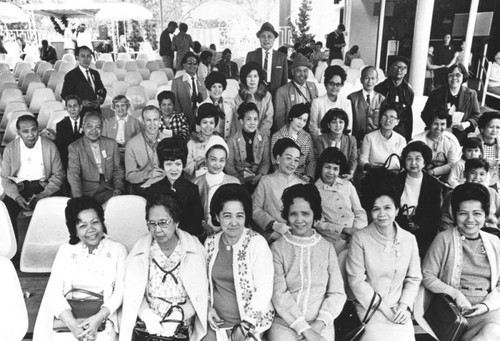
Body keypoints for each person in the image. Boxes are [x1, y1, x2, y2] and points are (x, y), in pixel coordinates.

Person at [33, 197, 127, 341]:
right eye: (83, 226)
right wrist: (72, 324)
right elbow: (54, 292)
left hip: (104, 321)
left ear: (102, 222)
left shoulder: (118, 250)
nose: (91, 230)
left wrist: (97, 319)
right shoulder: (65, 251)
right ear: (74, 230)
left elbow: (120, 292)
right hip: (66, 323)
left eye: (95, 222)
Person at [119, 193, 207, 340]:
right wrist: (147, 316)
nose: (157, 229)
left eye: (163, 222)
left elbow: (202, 295)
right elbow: (132, 294)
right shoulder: (140, 251)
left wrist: (178, 315)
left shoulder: (193, 248)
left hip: (181, 326)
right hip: (149, 327)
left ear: (176, 222)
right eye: (152, 223)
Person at [422, 183, 500, 341]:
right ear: (454, 214)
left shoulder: (494, 242)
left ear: (485, 215)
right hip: (453, 312)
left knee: (491, 334)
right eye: (463, 213)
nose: (470, 219)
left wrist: (486, 305)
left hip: (488, 311)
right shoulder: (443, 239)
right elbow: (427, 275)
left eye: (477, 213)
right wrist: (456, 294)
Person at [268, 183, 346, 341]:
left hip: (321, 324)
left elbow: (337, 293)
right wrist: (305, 330)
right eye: (293, 214)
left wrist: (318, 325)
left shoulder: (327, 248)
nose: (299, 220)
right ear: (287, 215)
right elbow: (279, 294)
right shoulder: (277, 248)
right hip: (285, 324)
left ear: (314, 213)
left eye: (305, 213)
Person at [346, 185, 422, 340]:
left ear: (397, 210)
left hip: (399, 309)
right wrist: (386, 310)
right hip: (369, 309)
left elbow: (414, 278)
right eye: (376, 209)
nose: (382, 214)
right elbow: (357, 282)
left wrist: (403, 306)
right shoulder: (360, 238)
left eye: (387, 208)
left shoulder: (409, 239)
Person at [203, 184, 274, 340]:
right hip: (216, 322)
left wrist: (245, 327)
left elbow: (264, 289)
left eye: (239, 215)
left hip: (249, 325)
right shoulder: (210, 243)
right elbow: (204, 284)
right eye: (227, 215)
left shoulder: (257, 243)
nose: (234, 222)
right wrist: (207, 309)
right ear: (217, 216)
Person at [1, 115, 64, 233]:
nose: (31, 135)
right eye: (25, 131)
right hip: (19, 187)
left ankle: (51, 242)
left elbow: (59, 175)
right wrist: (17, 197)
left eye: (34, 130)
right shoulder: (10, 149)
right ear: (18, 132)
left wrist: (44, 194)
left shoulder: (49, 146)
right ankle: (13, 247)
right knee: (6, 208)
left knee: (58, 207)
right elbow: (5, 178)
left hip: (44, 186)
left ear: (38, 129)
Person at [141, 138, 203, 239]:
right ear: (162, 165)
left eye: (178, 164)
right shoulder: (154, 189)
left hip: (186, 239)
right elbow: (150, 220)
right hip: (160, 237)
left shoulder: (192, 189)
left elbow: (196, 223)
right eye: (169, 164)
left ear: (183, 164)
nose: (174, 169)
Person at [314, 148, 366, 254]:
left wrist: (356, 231)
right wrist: (344, 230)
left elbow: (359, 211)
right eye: (327, 167)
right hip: (332, 241)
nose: (331, 172)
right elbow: (318, 223)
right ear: (321, 167)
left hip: (356, 238)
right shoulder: (314, 190)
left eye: (335, 168)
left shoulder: (347, 185)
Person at [253, 138, 306, 242]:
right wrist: (274, 226)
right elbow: (255, 209)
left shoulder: (303, 185)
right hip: (271, 236)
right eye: (288, 158)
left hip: (296, 237)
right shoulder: (266, 181)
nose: (292, 164)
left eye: (296, 160)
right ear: (278, 158)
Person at [395, 141, 442, 259]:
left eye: (417, 159)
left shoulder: (433, 184)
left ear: (425, 162)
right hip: (397, 228)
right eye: (409, 159)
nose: (413, 163)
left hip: (422, 233)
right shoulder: (396, 180)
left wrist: (419, 225)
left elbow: (434, 214)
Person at [68, 112, 124, 204]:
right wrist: (79, 199)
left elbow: (117, 170)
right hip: (86, 191)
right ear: (83, 126)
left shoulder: (111, 144)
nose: (94, 131)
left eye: (98, 127)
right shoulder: (75, 147)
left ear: (102, 128)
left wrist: (118, 188)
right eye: (90, 126)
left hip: (108, 189)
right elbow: (73, 175)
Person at [421, 63, 481, 144]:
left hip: (460, 137)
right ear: (447, 77)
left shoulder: (471, 94)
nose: (454, 78)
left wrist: (466, 124)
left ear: (464, 77)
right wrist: (438, 124)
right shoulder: (436, 93)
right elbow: (425, 114)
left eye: (458, 75)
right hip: (436, 134)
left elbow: (476, 116)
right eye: (451, 75)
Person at [439, 158, 500, 232]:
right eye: (472, 173)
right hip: (460, 234)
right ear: (465, 174)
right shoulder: (453, 194)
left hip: (488, 233)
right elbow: (446, 221)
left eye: (482, 174)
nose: (477, 177)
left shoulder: (492, 193)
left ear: (487, 175)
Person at [193, 141, 240, 236]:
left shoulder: (234, 182)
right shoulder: (195, 183)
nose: (217, 164)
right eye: (213, 159)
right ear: (205, 159)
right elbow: (193, 212)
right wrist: (204, 226)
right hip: (201, 233)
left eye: (222, 160)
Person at [226, 102, 271, 192]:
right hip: (239, 178)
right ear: (242, 121)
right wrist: (237, 178)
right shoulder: (232, 139)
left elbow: (266, 161)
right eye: (248, 119)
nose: (252, 123)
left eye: (255, 119)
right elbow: (229, 164)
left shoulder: (264, 137)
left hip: (259, 177)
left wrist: (260, 175)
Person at [271, 103, 316, 182]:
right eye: (299, 118)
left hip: (303, 176)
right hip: (283, 176)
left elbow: (311, 160)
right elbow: (275, 162)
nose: (301, 123)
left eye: (304, 120)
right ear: (291, 117)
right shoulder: (277, 136)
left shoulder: (307, 137)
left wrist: (308, 176)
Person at [124, 106, 164, 193]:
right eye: (148, 120)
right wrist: (149, 174)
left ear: (160, 120)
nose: (152, 124)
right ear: (143, 121)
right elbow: (129, 175)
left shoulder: (168, 139)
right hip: (145, 186)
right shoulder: (131, 144)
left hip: (167, 181)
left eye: (155, 119)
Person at [374, 56, 414, 141]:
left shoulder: (408, 91)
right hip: (382, 129)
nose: (399, 70)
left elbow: (408, 116)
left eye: (403, 68)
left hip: (401, 131)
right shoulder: (379, 88)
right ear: (390, 69)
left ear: (406, 71)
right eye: (396, 67)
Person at [274, 54, 319, 129]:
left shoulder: (312, 86)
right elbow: (279, 120)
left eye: (305, 71)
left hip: (309, 129)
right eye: (299, 71)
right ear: (292, 72)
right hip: (290, 131)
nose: (302, 74)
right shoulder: (282, 91)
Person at [412, 109, 460, 179]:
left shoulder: (450, 140)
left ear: (447, 125)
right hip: (421, 176)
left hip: (445, 177)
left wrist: (434, 171)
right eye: (435, 124)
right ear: (430, 124)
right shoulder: (418, 140)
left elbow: (453, 164)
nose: (439, 128)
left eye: (442, 124)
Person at [359, 104, 406, 172]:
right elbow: (362, 160)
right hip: (374, 174)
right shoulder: (369, 137)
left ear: (397, 122)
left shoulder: (401, 140)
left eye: (392, 117)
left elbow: (403, 162)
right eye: (385, 116)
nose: (387, 120)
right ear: (380, 119)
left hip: (394, 175)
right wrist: (371, 167)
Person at [61, 45, 107, 114]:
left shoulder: (95, 73)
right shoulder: (70, 75)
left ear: (91, 58)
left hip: (96, 112)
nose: (86, 59)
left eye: (88, 56)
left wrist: (100, 99)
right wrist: (80, 101)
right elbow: (65, 95)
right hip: (80, 113)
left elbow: (102, 89)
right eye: (83, 56)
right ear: (77, 57)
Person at [246, 22, 289, 95]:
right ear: (259, 38)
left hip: (276, 93)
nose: (266, 39)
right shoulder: (251, 56)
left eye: (269, 36)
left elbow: (284, 81)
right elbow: (246, 77)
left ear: (274, 39)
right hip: (255, 92)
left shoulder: (282, 57)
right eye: (263, 36)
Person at [309, 65, 353, 137]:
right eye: (331, 84)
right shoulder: (317, 102)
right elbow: (313, 128)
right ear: (325, 83)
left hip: (341, 143)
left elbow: (348, 128)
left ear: (342, 85)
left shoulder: (346, 103)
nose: (334, 87)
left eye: (338, 84)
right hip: (322, 142)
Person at [348, 66, 386, 146]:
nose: (369, 81)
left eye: (372, 78)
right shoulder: (352, 98)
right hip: (356, 142)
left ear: (377, 80)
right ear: (361, 80)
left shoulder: (381, 99)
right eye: (366, 78)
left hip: (376, 142)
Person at [315, 108, 357, 179]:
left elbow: (353, 159)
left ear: (345, 124)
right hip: (325, 174)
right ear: (328, 125)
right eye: (334, 122)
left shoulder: (351, 140)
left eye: (341, 122)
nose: (338, 125)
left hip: (345, 174)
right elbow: (321, 161)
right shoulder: (320, 139)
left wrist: (350, 173)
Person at [185, 103, 224, 178]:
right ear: (199, 122)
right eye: (205, 122)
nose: (208, 126)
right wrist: (198, 164)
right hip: (196, 180)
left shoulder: (219, 141)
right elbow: (186, 166)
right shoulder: (192, 142)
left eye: (211, 123)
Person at [234, 62, 274, 137]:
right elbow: (237, 120)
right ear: (244, 78)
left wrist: (260, 135)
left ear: (259, 78)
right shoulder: (239, 97)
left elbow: (268, 119)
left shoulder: (267, 96)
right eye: (249, 76)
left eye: (255, 76)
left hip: (262, 136)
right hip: (243, 136)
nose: (252, 79)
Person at [171, 51, 208, 127]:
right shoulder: (177, 82)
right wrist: (181, 120)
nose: (192, 66)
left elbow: (205, 99)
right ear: (184, 65)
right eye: (189, 63)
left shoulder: (202, 80)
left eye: (195, 63)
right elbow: (175, 103)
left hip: (200, 120)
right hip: (184, 120)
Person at [201, 71, 236, 140]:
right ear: (209, 88)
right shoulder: (202, 106)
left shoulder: (230, 103)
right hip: (210, 143)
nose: (217, 90)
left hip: (228, 142)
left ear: (223, 88)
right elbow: (199, 130)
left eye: (220, 86)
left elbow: (234, 126)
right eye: (214, 86)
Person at [56, 95, 84, 170]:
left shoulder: (87, 123)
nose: (72, 109)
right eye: (69, 106)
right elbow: (61, 148)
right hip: (69, 161)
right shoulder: (60, 125)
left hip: (85, 160)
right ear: (66, 108)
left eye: (75, 106)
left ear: (80, 107)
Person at [476, 111, 500, 190]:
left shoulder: (498, 143)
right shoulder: (475, 143)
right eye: (491, 127)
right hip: (477, 179)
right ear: (482, 129)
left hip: (493, 181)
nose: (494, 130)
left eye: (498, 127)